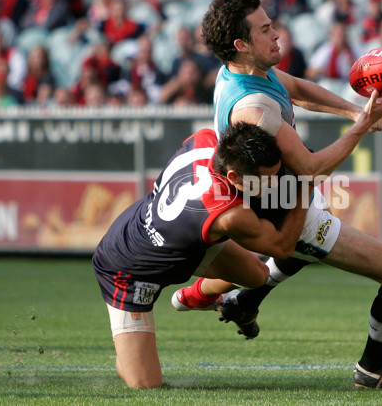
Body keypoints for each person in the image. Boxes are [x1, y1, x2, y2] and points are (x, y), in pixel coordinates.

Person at [173, 0, 382, 391]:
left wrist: (355, 111)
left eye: (271, 24)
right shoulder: (253, 107)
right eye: (265, 30)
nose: (277, 34)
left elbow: (296, 89)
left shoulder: (246, 71)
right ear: (241, 44)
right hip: (290, 208)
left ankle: (238, 299)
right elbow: (313, 168)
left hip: (292, 191)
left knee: (281, 261)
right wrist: (361, 126)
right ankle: (373, 367)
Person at [92, 123, 315, 388]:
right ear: (233, 176)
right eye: (264, 180)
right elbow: (282, 248)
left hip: (176, 239)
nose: (273, 184)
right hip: (129, 268)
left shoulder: (205, 138)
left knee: (258, 275)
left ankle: (198, 296)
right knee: (146, 386)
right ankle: (128, 357)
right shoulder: (230, 215)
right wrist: (306, 187)